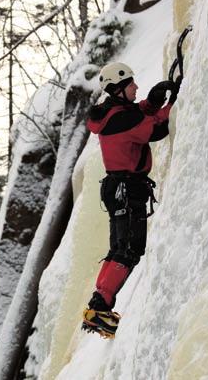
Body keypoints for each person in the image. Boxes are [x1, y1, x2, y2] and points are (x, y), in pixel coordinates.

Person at [81, 62, 179, 337]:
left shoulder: (115, 112)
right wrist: (175, 102)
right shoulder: (120, 119)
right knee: (128, 251)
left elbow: (138, 115)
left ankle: (98, 307)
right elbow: (156, 129)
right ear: (118, 89)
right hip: (126, 189)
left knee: (119, 249)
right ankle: (100, 308)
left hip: (119, 188)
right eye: (131, 84)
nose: (136, 86)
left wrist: (154, 99)